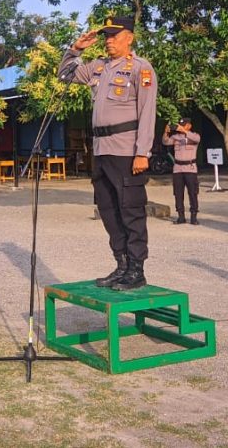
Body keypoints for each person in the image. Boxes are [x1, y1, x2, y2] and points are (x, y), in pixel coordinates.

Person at [59, 16, 158, 291]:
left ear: (130, 38)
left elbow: (147, 113)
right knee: (108, 210)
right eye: (107, 36)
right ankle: (122, 264)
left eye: (115, 35)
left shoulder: (141, 69)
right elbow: (65, 74)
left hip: (127, 151)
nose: (109, 40)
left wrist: (143, 153)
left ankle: (137, 270)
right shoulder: (98, 67)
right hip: (101, 151)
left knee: (131, 211)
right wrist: (76, 49)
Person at [162, 117, 201, 225]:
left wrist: (184, 131)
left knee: (193, 193)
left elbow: (197, 139)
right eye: (180, 125)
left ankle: (193, 216)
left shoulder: (194, 136)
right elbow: (165, 142)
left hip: (190, 168)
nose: (180, 127)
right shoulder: (175, 137)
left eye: (183, 125)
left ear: (189, 126)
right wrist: (166, 132)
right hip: (178, 168)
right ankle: (181, 216)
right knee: (178, 193)